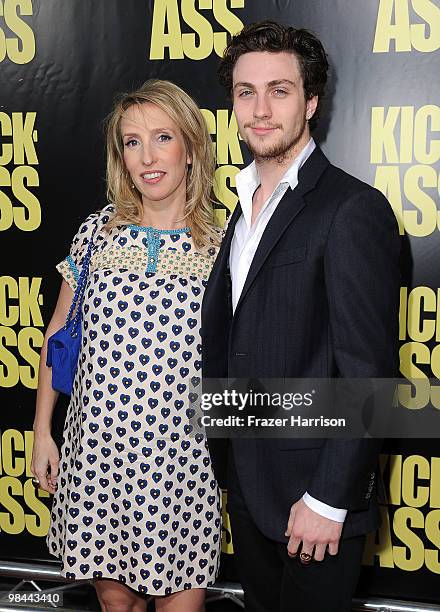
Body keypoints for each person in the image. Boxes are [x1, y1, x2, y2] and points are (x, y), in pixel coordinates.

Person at [201, 21, 400, 612]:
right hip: (248, 483)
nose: (260, 110)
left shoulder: (351, 208)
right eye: (245, 92)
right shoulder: (238, 209)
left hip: (315, 501)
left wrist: (329, 498)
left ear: (311, 101)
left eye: (280, 90)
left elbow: (369, 372)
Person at [32, 79, 222, 612]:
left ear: (191, 148)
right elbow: (57, 336)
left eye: (162, 137)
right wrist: (42, 431)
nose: (148, 156)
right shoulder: (95, 234)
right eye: (132, 142)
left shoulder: (224, 245)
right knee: (120, 607)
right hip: (99, 457)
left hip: (184, 462)